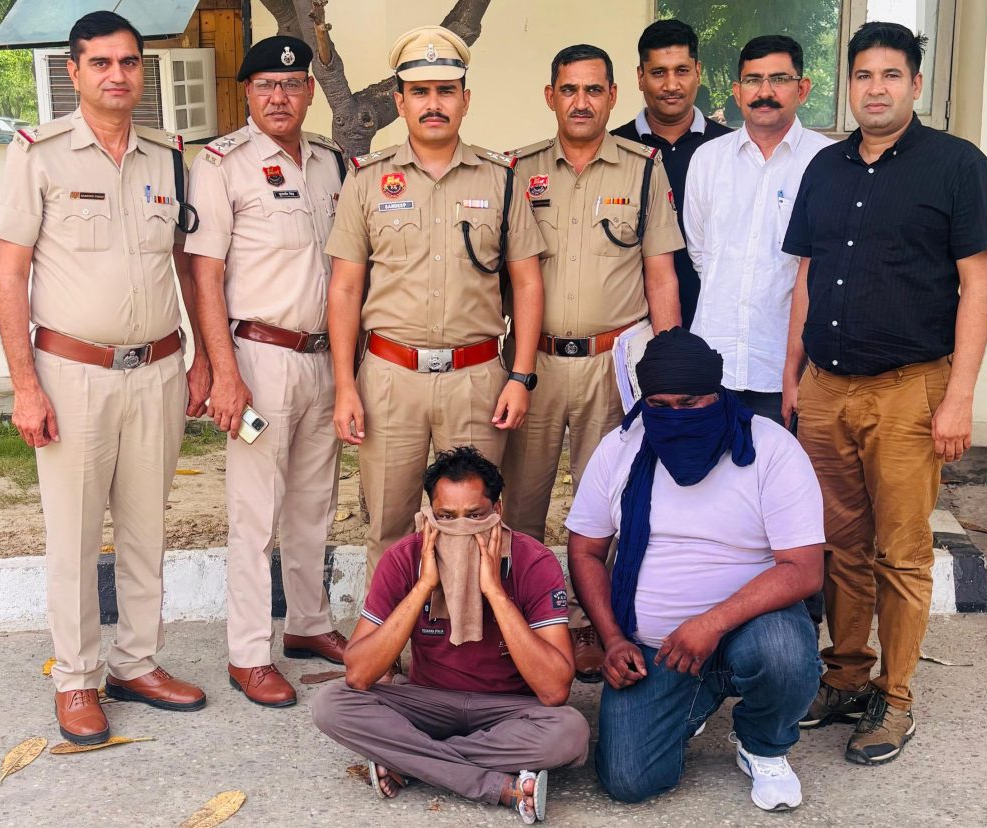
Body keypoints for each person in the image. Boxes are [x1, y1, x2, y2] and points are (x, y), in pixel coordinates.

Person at [782, 22, 987, 765]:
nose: (875, 89)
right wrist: (792, 376)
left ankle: (895, 697)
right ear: (848, 84)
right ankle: (845, 675)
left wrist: (959, 397)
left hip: (910, 390)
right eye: (863, 75)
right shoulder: (826, 167)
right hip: (826, 388)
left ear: (915, 83)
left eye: (890, 75)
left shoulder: (958, 166)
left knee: (901, 552)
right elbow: (807, 276)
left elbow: (977, 284)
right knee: (838, 545)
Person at [0, 11, 210, 744]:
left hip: (158, 369)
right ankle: (77, 679)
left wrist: (204, 358)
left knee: (148, 529)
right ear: (75, 72)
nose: (118, 75)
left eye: (129, 62)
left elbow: (185, 264)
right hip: (72, 374)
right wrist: (26, 386)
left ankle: (137, 663)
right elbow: (10, 274)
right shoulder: (40, 154)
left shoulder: (168, 155)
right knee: (75, 536)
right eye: (101, 63)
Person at [326, 26, 545, 603]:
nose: (433, 104)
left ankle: (463, 644)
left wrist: (521, 375)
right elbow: (345, 288)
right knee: (388, 525)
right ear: (399, 101)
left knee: (473, 526)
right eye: (420, 92)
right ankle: (389, 645)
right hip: (389, 379)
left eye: (446, 91)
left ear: (465, 100)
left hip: (476, 379)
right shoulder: (367, 179)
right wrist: (345, 385)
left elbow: (527, 282)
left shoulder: (501, 179)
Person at [567, 328, 824, 811]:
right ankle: (692, 697)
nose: (676, 417)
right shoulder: (621, 448)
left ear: (717, 394)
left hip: (751, 627)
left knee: (785, 653)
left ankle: (763, 745)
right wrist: (613, 638)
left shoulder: (771, 448)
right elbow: (584, 551)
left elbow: (804, 570)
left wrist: (711, 623)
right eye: (660, 406)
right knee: (628, 780)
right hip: (656, 646)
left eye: (690, 403)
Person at [501, 44, 684, 683]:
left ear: (612, 97)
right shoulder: (516, 171)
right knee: (522, 504)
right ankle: (524, 625)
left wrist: (668, 370)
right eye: (569, 89)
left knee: (605, 504)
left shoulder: (643, 170)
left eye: (594, 90)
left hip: (613, 366)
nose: (581, 102)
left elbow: (660, 274)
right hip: (534, 364)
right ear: (550, 96)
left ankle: (591, 625)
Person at [185, 36, 348, 707]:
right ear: (247, 93)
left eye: (292, 84)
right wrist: (223, 372)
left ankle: (308, 623)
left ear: (309, 91)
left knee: (314, 504)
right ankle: (249, 653)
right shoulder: (221, 164)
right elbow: (205, 273)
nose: (279, 97)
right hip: (257, 358)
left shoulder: (331, 163)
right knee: (255, 514)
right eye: (265, 86)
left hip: (323, 359)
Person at [312, 447, 588, 823]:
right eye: (446, 517)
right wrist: (424, 585)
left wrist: (494, 592)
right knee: (331, 704)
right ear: (429, 516)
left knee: (570, 731)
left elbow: (555, 690)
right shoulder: (404, 558)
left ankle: (409, 760)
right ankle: (496, 786)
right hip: (427, 702)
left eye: (475, 516)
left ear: (498, 511)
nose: (461, 528)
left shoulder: (532, 561)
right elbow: (359, 674)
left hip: (507, 709)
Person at [685, 35, 833, 426]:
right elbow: (701, 255)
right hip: (713, 368)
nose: (764, 92)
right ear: (737, 91)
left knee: (782, 466)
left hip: (788, 373)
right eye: (753, 80)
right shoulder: (708, 160)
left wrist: (796, 369)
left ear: (802, 88)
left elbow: (826, 267)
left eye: (779, 79)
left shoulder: (827, 162)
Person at [611, 19, 732, 329]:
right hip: (630, 326)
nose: (671, 85)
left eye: (682, 71)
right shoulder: (613, 148)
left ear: (698, 72)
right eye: (658, 73)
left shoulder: (731, 149)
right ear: (640, 77)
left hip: (715, 322)